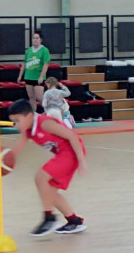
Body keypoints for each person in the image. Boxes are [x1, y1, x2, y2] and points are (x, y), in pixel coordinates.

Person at [8, 99, 87, 236]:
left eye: (17, 121)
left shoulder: (45, 123)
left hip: (71, 153)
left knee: (40, 177)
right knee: (48, 192)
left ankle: (49, 218)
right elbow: (17, 148)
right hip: (62, 155)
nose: (16, 125)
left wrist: (82, 161)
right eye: (13, 122)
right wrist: (3, 159)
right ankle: (74, 221)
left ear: (29, 116)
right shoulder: (28, 130)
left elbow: (72, 136)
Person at [17, 30, 50, 112]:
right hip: (28, 77)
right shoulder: (29, 50)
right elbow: (24, 63)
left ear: (41, 39)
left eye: (37, 38)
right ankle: (33, 114)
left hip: (37, 77)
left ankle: (49, 111)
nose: (35, 40)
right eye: (33, 38)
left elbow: (46, 64)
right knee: (31, 97)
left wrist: (41, 76)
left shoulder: (44, 50)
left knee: (40, 97)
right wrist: (20, 75)